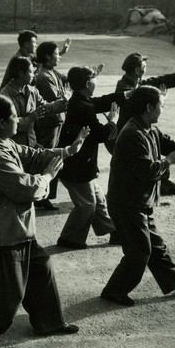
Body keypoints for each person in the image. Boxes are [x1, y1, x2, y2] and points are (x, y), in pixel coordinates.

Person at [0, 94, 89, 347]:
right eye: (14, 117)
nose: (18, 121)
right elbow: (27, 190)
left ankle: (49, 322)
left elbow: (33, 154)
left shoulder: (2, 142)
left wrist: (67, 150)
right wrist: (48, 177)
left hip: (14, 230)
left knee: (41, 269)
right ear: (1, 122)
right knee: (9, 295)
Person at [101, 85, 175, 306]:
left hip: (139, 202)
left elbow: (173, 146)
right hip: (127, 204)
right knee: (140, 252)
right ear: (148, 107)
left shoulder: (148, 129)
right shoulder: (133, 134)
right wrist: (168, 161)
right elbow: (146, 171)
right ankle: (113, 291)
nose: (163, 110)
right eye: (161, 105)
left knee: (157, 247)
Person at [57, 66, 130, 249]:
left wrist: (126, 95)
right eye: (94, 78)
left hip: (81, 163)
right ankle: (69, 239)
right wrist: (112, 120)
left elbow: (100, 101)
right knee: (87, 204)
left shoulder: (81, 100)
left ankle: (114, 231)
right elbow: (100, 135)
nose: (96, 81)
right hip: (77, 165)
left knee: (97, 199)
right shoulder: (82, 106)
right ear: (88, 83)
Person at [112, 52, 175, 196]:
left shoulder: (136, 81)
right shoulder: (124, 86)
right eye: (144, 66)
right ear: (137, 70)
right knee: (142, 164)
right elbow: (137, 96)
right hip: (126, 134)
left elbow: (157, 80)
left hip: (139, 128)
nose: (146, 69)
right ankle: (154, 187)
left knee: (152, 153)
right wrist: (160, 97)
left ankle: (163, 183)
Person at [0, 56, 67, 210]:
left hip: (31, 143)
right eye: (31, 72)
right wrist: (30, 118)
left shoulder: (31, 90)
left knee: (50, 162)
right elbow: (7, 127)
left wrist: (64, 103)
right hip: (14, 148)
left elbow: (46, 108)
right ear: (21, 74)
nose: (34, 75)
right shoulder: (5, 96)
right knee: (17, 186)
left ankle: (39, 200)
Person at [33, 41, 71, 209]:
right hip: (49, 122)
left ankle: (44, 195)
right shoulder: (43, 77)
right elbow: (58, 97)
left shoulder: (50, 72)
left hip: (56, 120)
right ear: (48, 56)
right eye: (56, 54)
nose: (59, 57)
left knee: (53, 155)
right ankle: (42, 196)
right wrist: (65, 95)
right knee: (48, 156)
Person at [0, 30, 70, 91]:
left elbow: (44, 59)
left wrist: (61, 52)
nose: (36, 45)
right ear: (26, 44)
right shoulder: (18, 59)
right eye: (34, 42)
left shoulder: (29, 55)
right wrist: (39, 70)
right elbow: (30, 81)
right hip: (10, 95)